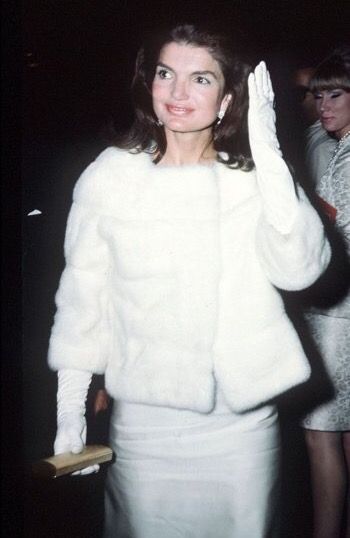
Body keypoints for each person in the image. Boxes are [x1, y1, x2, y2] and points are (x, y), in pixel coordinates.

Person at [48, 24, 331, 538]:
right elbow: (82, 304)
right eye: (165, 74)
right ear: (148, 84)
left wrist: (267, 153)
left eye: (200, 79)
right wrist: (70, 413)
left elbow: (300, 270)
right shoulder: (109, 177)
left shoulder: (249, 178)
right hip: (145, 427)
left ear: (226, 99)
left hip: (240, 428)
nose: (178, 93)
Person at [300, 46, 350, 538]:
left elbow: (337, 242)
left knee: (319, 436)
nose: (324, 106)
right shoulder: (337, 149)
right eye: (319, 96)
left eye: (335, 95)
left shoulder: (345, 159)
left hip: (337, 317)